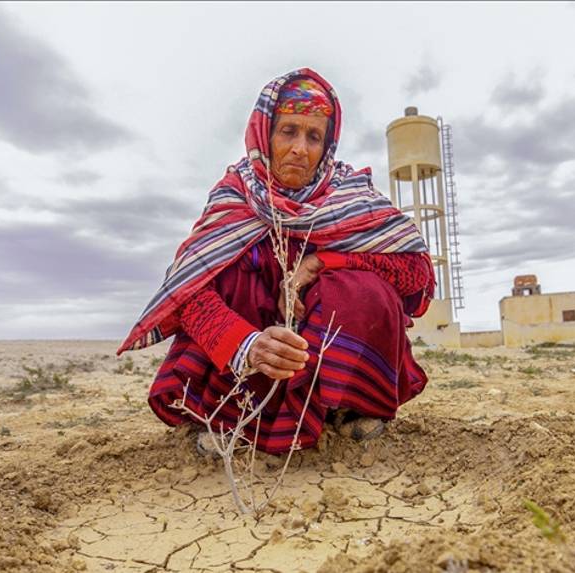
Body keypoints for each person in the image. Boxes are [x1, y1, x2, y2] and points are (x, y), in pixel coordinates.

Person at [119, 69, 434, 455]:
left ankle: (346, 405)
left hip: (321, 357)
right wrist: (245, 344)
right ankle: (231, 416)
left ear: (327, 145)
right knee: (229, 275)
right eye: (288, 131)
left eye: (313, 136)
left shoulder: (352, 197)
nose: (300, 148)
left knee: (360, 285)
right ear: (265, 134)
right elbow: (189, 293)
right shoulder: (235, 197)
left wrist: (322, 262)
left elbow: (414, 273)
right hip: (249, 367)